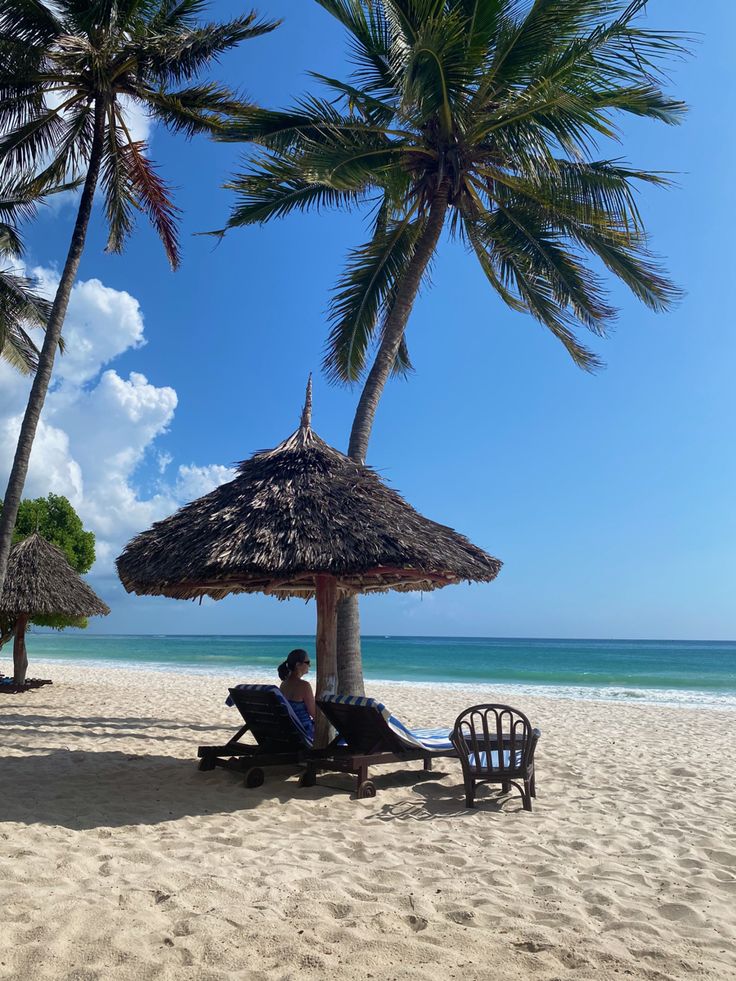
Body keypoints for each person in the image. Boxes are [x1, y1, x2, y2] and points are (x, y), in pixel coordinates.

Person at [277, 648, 316, 740]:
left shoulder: (283, 684)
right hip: (304, 732)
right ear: (298, 664)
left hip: (289, 731)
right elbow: (314, 714)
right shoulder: (304, 685)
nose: (309, 665)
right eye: (307, 662)